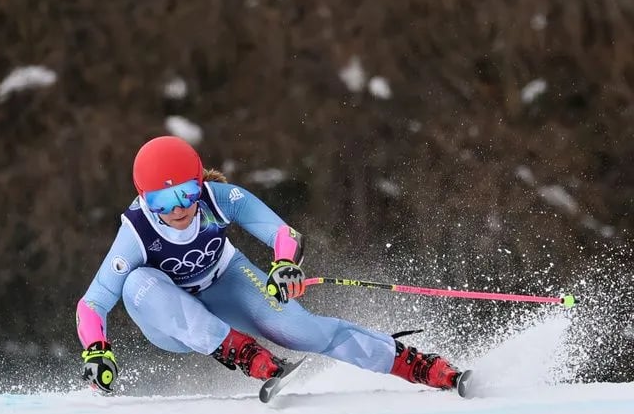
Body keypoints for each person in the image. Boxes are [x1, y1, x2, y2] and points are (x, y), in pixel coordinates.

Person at [76, 135, 468, 395]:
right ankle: (244, 353)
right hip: (170, 319)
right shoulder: (136, 231)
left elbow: (283, 233)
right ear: (144, 198)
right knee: (135, 281)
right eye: (162, 201)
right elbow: (92, 303)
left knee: (301, 330)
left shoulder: (220, 199)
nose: (177, 209)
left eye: (186, 193)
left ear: (200, 184)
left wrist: (283, 264)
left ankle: (415, 365)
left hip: (227, 281)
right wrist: (96, 350)